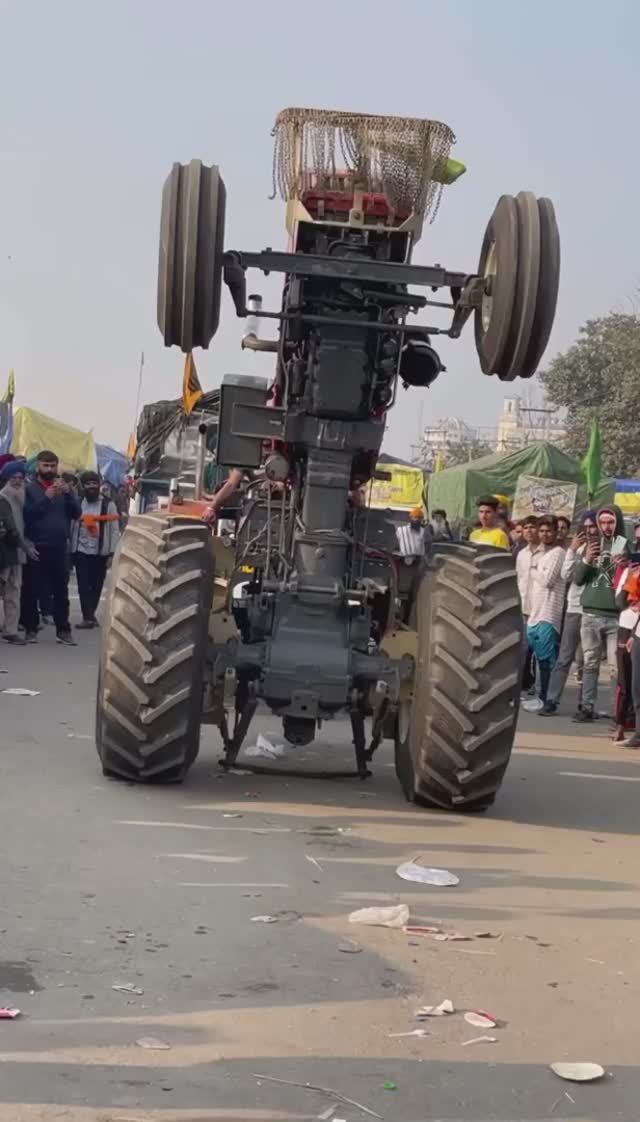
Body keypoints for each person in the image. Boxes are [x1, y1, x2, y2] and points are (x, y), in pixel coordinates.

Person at [573, 505, 629, 722]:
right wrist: (586, 559)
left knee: (616, 668)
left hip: (616, 615)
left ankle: (618, 711)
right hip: (590, 614)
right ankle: (587, 707)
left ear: (618, 523)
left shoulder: (625, 546)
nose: (606, 527)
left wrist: (624, 566)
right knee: (590, 664)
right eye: (602, 522)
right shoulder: (591, 545)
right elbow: (578, 579)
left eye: (611, 522)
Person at [21, 450, 81, 645]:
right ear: (37, 466)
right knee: (31, 590)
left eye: (53, 466)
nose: (49, 469)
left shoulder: (64, 488)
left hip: (58, 547)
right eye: (45, 465)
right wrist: (46, 498)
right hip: (36, 546)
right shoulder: (29, 489)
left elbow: (76, 514)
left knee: (60, 591)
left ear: (57, 466)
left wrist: (69, 495)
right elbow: (28, 516)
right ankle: (30, 629)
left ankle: (63, 630)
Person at [540, 512, 597, 715]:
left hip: (594, 610)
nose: (590, 530)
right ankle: (551, 700)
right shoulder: (576, 548)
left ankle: (586, 704)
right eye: (586, 526)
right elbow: (567, 575)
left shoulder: (605, 549)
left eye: (593, 526)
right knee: (565, 657)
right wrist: (573, 550)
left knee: (587, 660)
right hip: (574, 608)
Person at [522, 515, 566, 711]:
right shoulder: (538, 553)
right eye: (542, 531)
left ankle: (548, 699)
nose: (545, 534)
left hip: (549, 612)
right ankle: (540, 695)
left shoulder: (558, 553)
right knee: (537, 658)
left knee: (547, 659)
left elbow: (548, 580)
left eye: (549, 530)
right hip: (534, 611)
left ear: (556, 532)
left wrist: (533, 570)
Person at [71, 472, 120, 629]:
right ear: (83, 486)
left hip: (100, 552)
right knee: (83, 585)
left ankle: (91, 615)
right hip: (81, 551)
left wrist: (112, 553)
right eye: (88, 484)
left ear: (99, 485)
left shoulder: (108, 505)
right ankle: (88, 617)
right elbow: (72, 527)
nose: (92, 486)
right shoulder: (78, 503)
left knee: (97, 585)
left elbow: (114, 530)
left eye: (94, 483)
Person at [0, 462, 36, 644]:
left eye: (20, 478)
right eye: (13, 478)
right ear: (6, 479)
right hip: (5, 552)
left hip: (15, 553)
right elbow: (11, 528)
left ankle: (10, 630)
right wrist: (25, 547)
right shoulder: (3, 498)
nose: (17, 481)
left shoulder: (21, 499)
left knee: (13, 592)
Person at [516, 515, 540, 696]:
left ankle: (538, 686)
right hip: (522, 606)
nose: (529, 531)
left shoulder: (546, 553)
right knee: (523, 648)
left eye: (533, 527)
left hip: (540, 608)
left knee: (538, 651)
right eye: (526, 528)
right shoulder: (521, 554)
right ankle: (523, 682)